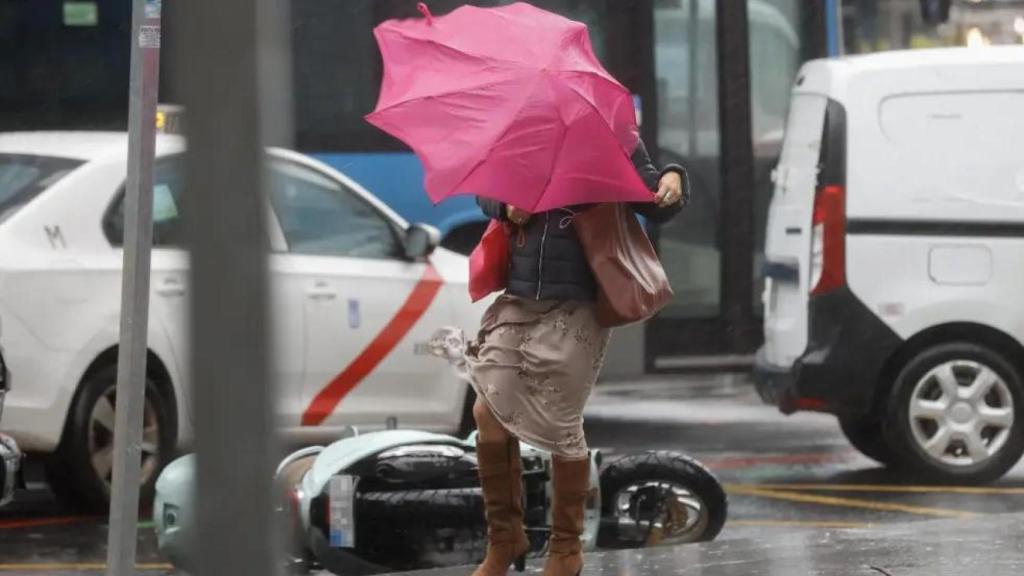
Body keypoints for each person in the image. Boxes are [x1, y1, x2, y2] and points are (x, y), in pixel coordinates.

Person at [435, 139, 687, 576]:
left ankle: (566, 550)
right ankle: (505, 540)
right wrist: (505, 205)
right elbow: (486, 191)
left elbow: (656, 203)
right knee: (487, 415)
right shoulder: (521, 134)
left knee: (560, 422)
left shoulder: (611, 136)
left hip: (580, 304)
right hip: (519, 297)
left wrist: (674, 177)